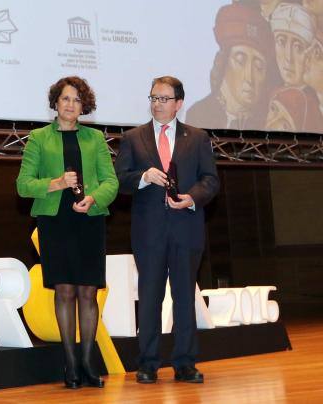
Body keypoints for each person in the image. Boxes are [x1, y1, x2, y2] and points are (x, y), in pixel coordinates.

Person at [114, 76, 219, 384]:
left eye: (163, 99)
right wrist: (144, 176)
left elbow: (210, 180)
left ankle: (185, 363)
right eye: (153, 98)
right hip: (149, 232)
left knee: (185, 297)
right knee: (149, 298)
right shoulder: (133, 138)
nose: (156, 104)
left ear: (179, 103)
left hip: (186, 227)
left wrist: (191, 198)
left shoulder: (197, 137)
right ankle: (147, 363)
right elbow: (120, 179)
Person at [16, 76, 118, 389]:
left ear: (83, 105)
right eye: (65, 99)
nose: (70, 104)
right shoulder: (38, 138)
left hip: (89, 220)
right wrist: (56, 183)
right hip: (55, 221)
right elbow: (23, 185)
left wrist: (94, 198)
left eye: (76, 99)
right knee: (64, 291)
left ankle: (88, 363)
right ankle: (70, 363)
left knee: (88, 291)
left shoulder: (95, 138)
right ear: (55, 103)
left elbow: (110, 182)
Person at [186, 3, 279, 130]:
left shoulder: (268, 121)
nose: (249, 78)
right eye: (240, 60)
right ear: (224, 62)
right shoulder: (199, 114)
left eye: (258, 67)